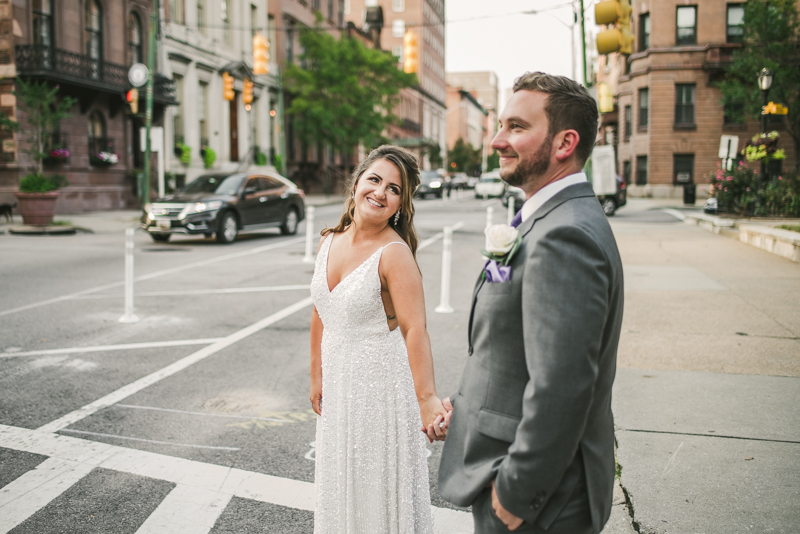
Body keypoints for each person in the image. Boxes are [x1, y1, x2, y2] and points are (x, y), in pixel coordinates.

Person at [436, 72, 625, 533]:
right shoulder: (550, 216)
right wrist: (465, 405)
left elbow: (563, 384)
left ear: (564, 143)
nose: (498, 140)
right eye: (500, 125)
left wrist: (515, 496)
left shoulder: (565, 235)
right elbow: (511, 350)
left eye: (516, 127)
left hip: (540, 502)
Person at [309, 145, 447, 533]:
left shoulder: (394, 253)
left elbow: (415, 329)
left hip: (379, 390)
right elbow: (321, 310)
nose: (380, 192)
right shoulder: (329, 241)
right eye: (374, 180)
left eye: (394, 188)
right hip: (338, 384)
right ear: (355, 184)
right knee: (342, 482)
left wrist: (427, 400)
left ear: (401, 204)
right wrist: (316, 376)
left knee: (375, 489)